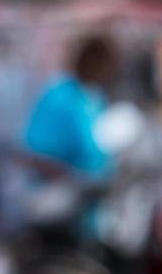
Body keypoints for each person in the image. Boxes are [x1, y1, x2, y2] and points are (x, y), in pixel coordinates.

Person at [23, 34, 120, 181]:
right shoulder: (59, 96)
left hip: (94, 191)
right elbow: (35, 152)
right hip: (57, 191)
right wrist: (72, 179)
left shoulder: (96, 97)